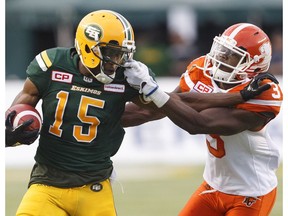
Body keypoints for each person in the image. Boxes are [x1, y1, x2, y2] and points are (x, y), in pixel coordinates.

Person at [123, 23, 283, 216]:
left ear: (252, 64)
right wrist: (105, 117)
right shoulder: (202, 70)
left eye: (231, 54)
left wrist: (152, 91)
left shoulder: (263, 92)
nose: (220, 57)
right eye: (222, 50)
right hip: (213, 185)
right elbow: (155, 109)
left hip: (252, 192)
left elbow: (198, 122)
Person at [5, 9, 142, 216]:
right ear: (88, 48)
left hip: (95, 186)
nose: (117, 60)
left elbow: (155, 110)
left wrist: (154, 92)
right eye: (111, 53)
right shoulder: (51, 65)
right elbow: (15, 114)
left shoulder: (129, 76)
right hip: (47, 184)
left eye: (121, 53)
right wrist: (10, 132)